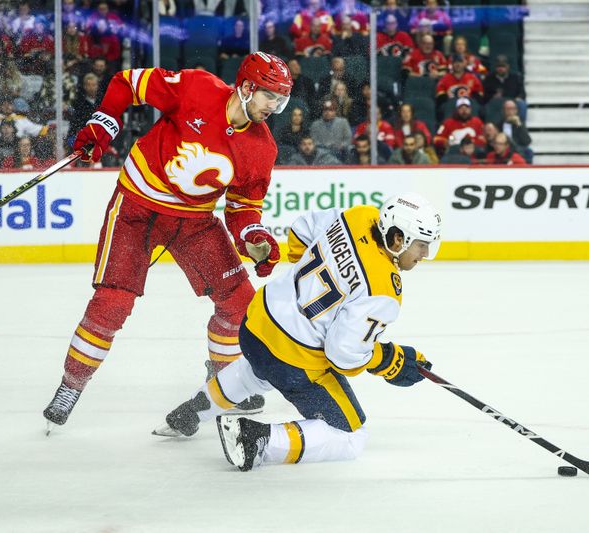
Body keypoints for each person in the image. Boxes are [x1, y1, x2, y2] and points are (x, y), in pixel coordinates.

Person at [42, 52, 294, 430]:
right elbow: (127, 83)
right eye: (270, 96)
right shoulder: (196, 87)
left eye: (280, 99)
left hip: (194, 221)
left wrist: (252, 235)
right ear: (245, 87)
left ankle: (222, 383)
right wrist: (103, 123)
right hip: (138, 208)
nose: (275, 107)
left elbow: (243, 209)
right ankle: (71, 385)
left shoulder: (262, 148)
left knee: (240, 303)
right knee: (113, 302)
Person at [154, 193, 441, 472]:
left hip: (256, 325)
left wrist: (304, 286)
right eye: (421, 245)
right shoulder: (384, 290)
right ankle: (259, 440)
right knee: (351, 436)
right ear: (397, 238)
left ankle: (190, 412)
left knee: (254, 371)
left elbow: (302, 229)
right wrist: (392, 361)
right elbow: (344, 355)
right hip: (292, 360)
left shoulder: (359, 216)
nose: (425, 254)